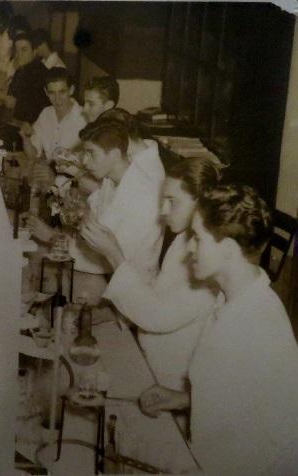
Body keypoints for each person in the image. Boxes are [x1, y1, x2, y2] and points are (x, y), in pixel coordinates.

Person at [139, 184, 298, 475]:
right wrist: (184, 399)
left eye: (197, 239)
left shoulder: (255, 323)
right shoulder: (234, 297)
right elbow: (242, 398)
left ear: (227, 249)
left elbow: (270, 442)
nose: (189, 248)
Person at [84, 157, 219, 390]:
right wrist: (116, 314)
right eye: (162, 200)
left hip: (169, 379)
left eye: (172, 201)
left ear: (201, 204)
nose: (163, 211)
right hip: (149, 355)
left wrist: (115, 255)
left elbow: (158, 317)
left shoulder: (208, 259)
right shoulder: (184, 239)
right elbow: (158, 290)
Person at [29, 119, 164, 300]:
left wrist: (52, 238)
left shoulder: (141, 195)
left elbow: (105, 262)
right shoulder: (111, 180)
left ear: (115, 155)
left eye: (91, 153)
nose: (84, 161)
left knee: (36, 283)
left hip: (129, 293)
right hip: (103, 276)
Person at [21, 67, 86, 163]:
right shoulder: (46, 114)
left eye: (62, 92)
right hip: (48, 173)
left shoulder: (84, 118)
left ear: (71, 90)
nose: (57, 99)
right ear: (46, 92)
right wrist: (25, 137)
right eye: (52, 93)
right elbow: (33, 155)